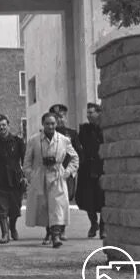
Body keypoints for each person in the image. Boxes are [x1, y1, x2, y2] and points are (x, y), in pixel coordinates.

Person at [23, 112, 79, 248]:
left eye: (53, 123)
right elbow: (27, 161)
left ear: (56, 124)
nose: (50, 126)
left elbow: (75, 158)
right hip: (40, 176)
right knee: (44, 206)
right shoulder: (34, 140)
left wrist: (67, 173)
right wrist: (31, 176)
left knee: (57, 206)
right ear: (43, 124)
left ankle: (56, 236)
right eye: (47, 123)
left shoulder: (64, 140)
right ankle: (49, 233)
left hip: (57, 176)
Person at [0, 114, 27, 244]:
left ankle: (12, 227)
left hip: (15, 180)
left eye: (4, 125)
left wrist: (25, 176)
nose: (1, 127)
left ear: (8, 125)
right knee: (1, 209)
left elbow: (25, 160)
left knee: (15, 208)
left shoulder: (18, 141)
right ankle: (5, 233)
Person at [47, 103, 84, 242]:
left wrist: (72, 171)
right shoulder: (47, 134)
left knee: (64, 203)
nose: (59, 120)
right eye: (56, 117)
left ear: (65, 117)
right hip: (51, 172)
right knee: (49, 202)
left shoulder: (71, 134)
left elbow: (78, 154)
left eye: (61, 117)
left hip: (66, 173)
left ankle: (61, 230)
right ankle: (50, 232)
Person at [77, 103, 106, 239]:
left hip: (102, 168)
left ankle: (103, 226)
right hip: (87, 169)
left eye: (91, 112)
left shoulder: (105, 128)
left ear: (98, 113)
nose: (88, 115)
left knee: (103, 199)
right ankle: (93, 223)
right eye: (87, 113)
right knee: (88, 199)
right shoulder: (84, 129)